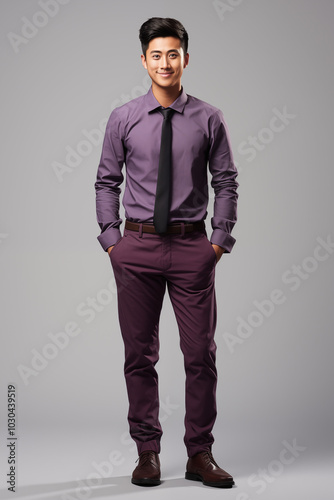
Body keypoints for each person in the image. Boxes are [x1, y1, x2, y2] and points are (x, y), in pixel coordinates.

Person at [95, 17, 238, 488]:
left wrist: (218, 240)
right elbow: (106, 181)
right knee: (140, 355)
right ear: (143, 60)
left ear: (185, 59)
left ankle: (200, 453)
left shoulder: (209, 117)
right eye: (156, 55)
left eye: (172, 54)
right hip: (134, 248)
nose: (164, 62)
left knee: (201, 354)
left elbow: (226, 181)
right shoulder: (123, 117)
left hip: (191, 246)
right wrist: (111, 240)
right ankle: (148, 454)